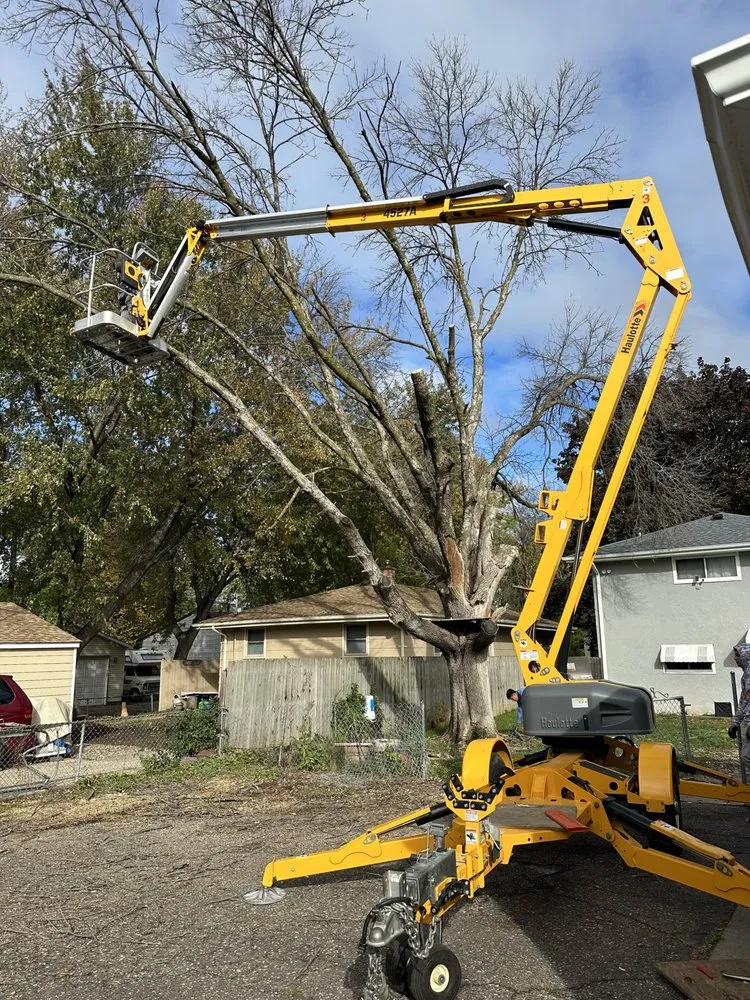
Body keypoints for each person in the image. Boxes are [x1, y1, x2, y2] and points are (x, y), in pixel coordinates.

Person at [728, 643, 750, 772]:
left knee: (747, 756)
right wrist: (735, 723)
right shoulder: (746, 676)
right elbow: (744, 701)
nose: (735, 659)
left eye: (737, 656)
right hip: (747, 722)